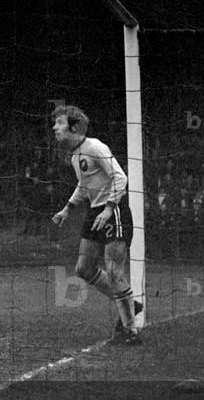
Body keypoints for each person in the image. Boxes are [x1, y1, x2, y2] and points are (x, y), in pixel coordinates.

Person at [50, 105, 144, 345]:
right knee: (83, 268)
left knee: (113, 271)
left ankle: (131, 331)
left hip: (114, 212)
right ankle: (129, 304)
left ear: (73, 127)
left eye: (59, 123)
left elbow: (120, 177)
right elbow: (84, 186)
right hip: (94, 213)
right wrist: (67, 209)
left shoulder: (95, 146)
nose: (54, 127)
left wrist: (110, 208)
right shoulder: (75, 156)